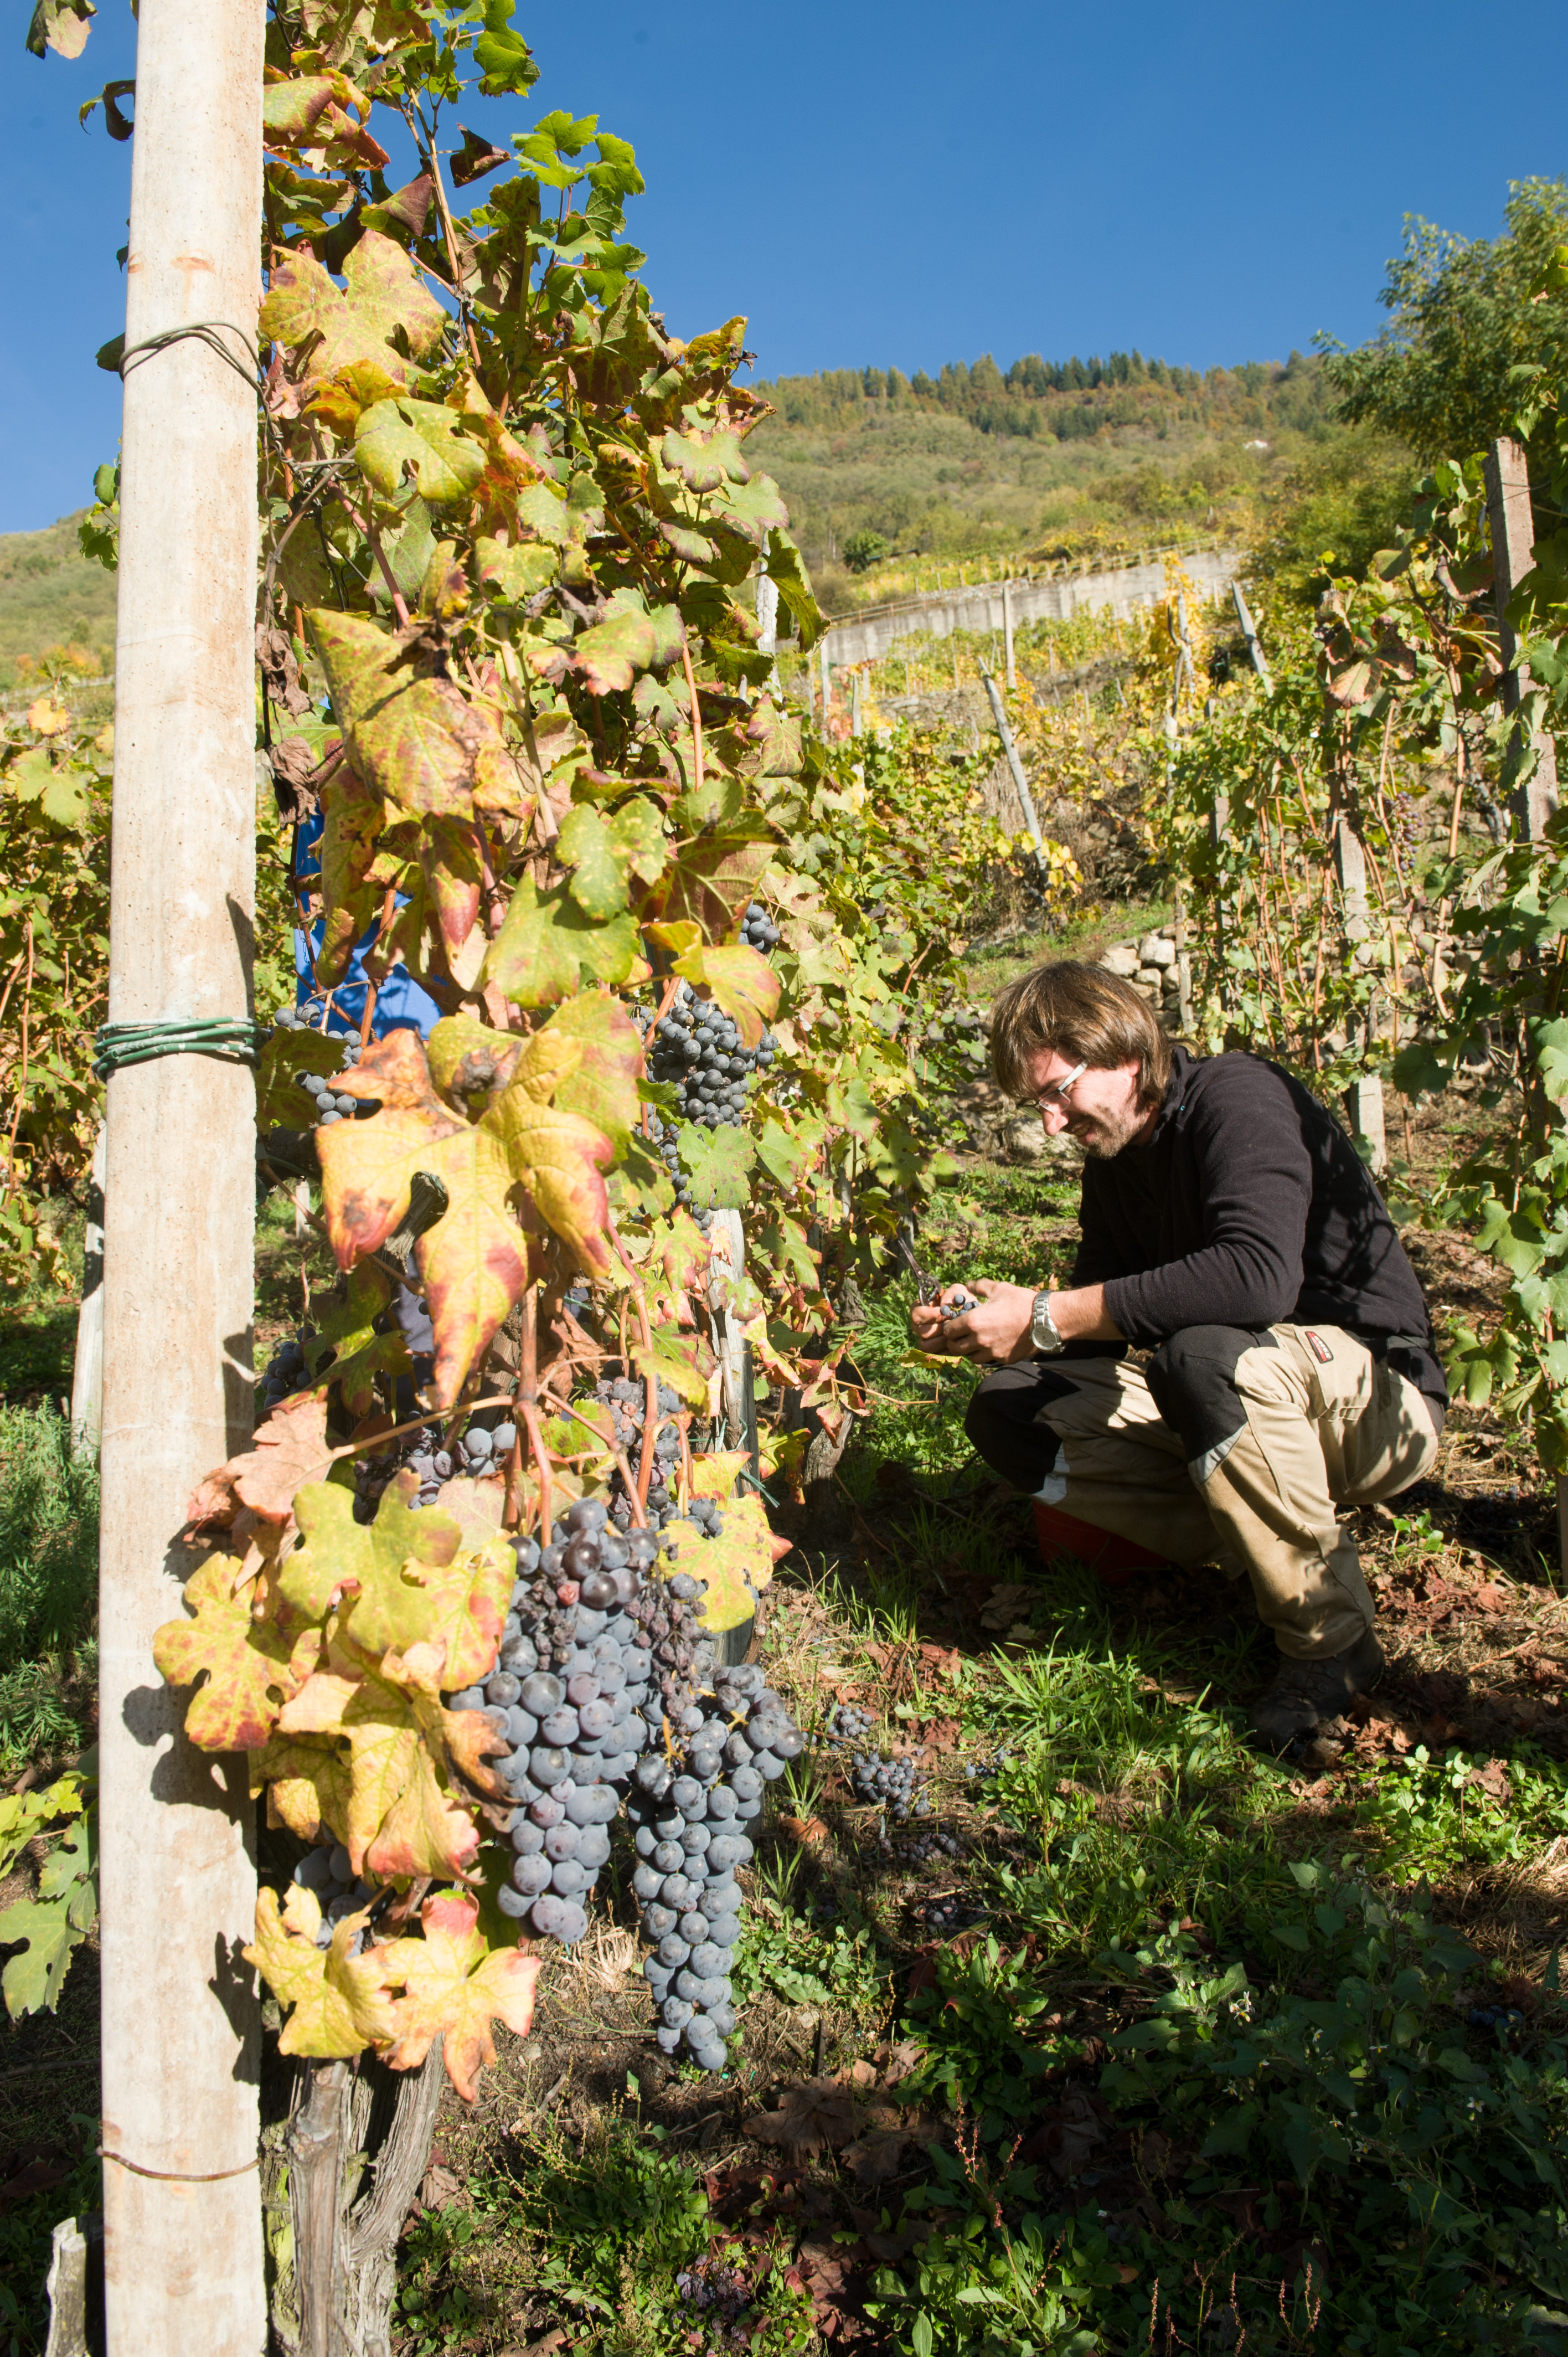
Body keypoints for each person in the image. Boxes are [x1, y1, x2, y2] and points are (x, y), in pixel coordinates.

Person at [911, 962, 1446, 1747]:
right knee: (1017, 1410)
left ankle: (1331, 1644)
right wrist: (1001, 1323)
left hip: (1374, 1398)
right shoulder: (1118, 1161)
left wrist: (1050, 1312)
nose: (1053, 1123)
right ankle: (1262, 1550)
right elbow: (1105, 1322)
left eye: (1059, 1091)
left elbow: (1258, 1277)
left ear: (1122, 1050)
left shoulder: (1238, 1097)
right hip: (1248, 1391)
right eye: (1039, 1104)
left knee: (1203, 1359)